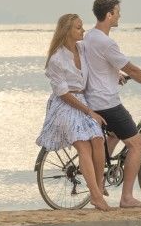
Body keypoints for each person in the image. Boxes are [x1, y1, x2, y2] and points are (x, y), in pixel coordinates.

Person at [82, 0, 141, 208]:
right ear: (109, 14)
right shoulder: (107, 42)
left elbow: (95, 66)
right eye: (117, 12)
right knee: (137, 144)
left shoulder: (89, 37)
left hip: (92, 100)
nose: (120, 15)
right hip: (107, 103)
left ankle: (100, 178)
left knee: (113, 134)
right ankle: (127, 197)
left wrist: (115, 75)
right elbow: (132, 69)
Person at [36, 13, 111, 211]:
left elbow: (98, 64)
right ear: (67, 31)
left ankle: (98, 185)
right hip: (65, 105)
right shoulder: (56, 59)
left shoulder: (83, 48)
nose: (83, 30)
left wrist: (117, 73)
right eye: (79, 27)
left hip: (82, 100)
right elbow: (62, 93)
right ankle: (96, 196)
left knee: (98, 139)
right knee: (84, 147)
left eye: (82, 26)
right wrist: (89, 111)